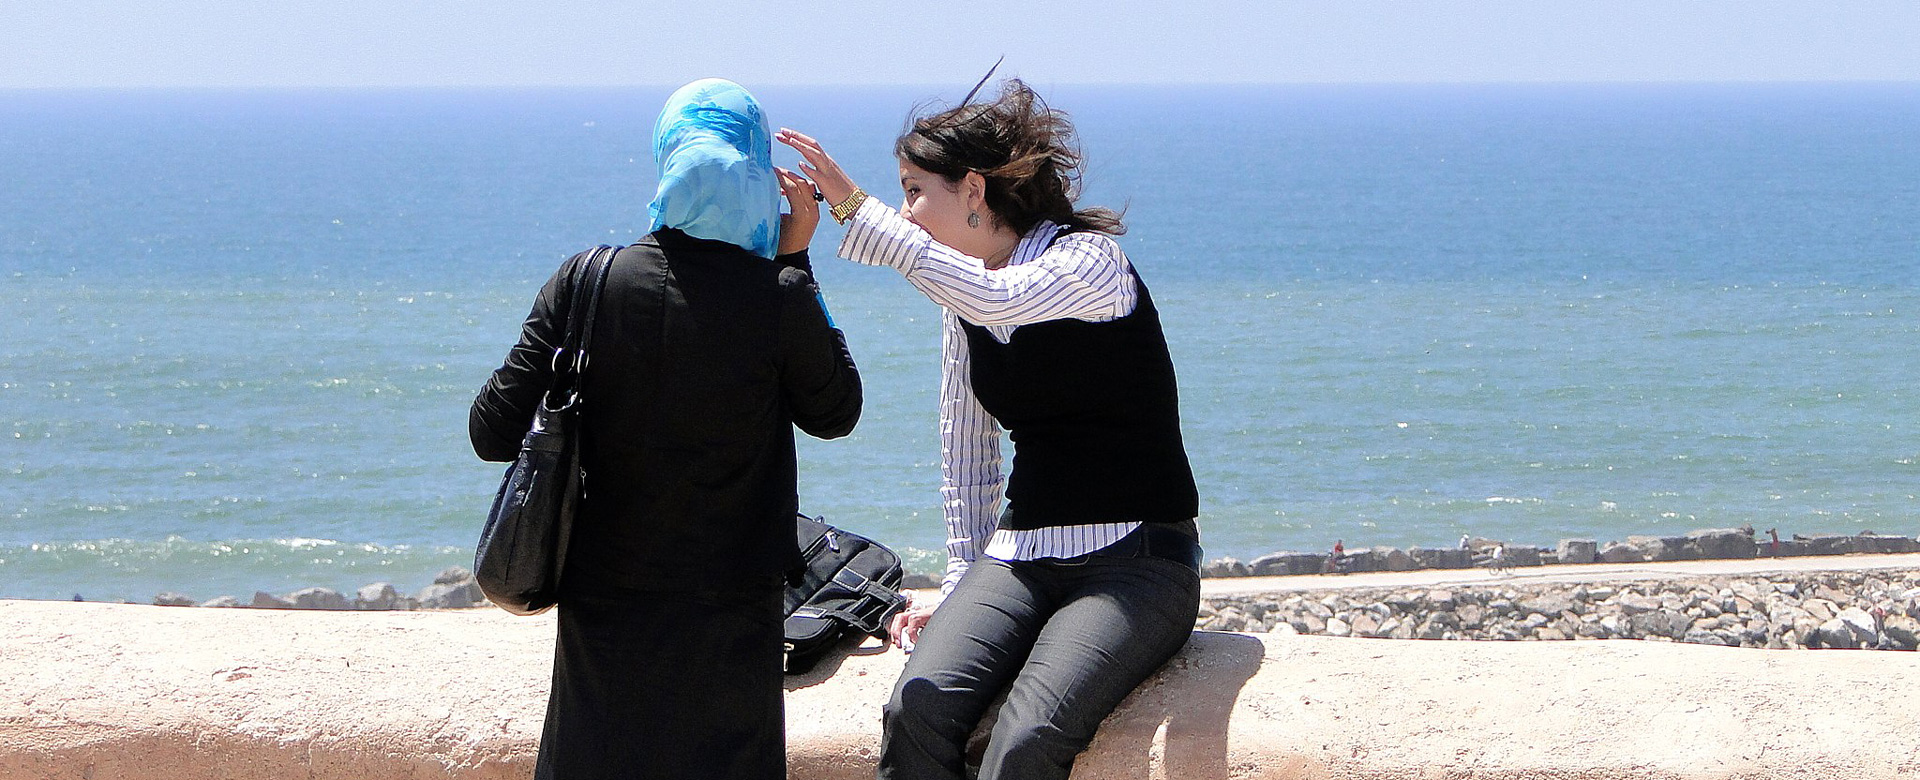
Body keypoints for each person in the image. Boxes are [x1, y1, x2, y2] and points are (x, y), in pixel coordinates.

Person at [778, 78, 1201, 780]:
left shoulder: (1088, 262)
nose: (908, 213)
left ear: (973, 189)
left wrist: (855, 207)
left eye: (916, 191)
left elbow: (1001, 297)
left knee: (1027, 739)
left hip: (1138, 562)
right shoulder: (962, 299)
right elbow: (968, 453)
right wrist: (959, 582)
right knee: (915, 709)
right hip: (1020, 560)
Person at [468, 78, 861, 780]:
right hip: (732, 614)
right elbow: (837, 411)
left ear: (668, 159)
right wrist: (795, 261)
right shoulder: (775, 297)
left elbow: (492, 431)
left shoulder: (586, 282)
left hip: (606, 609)